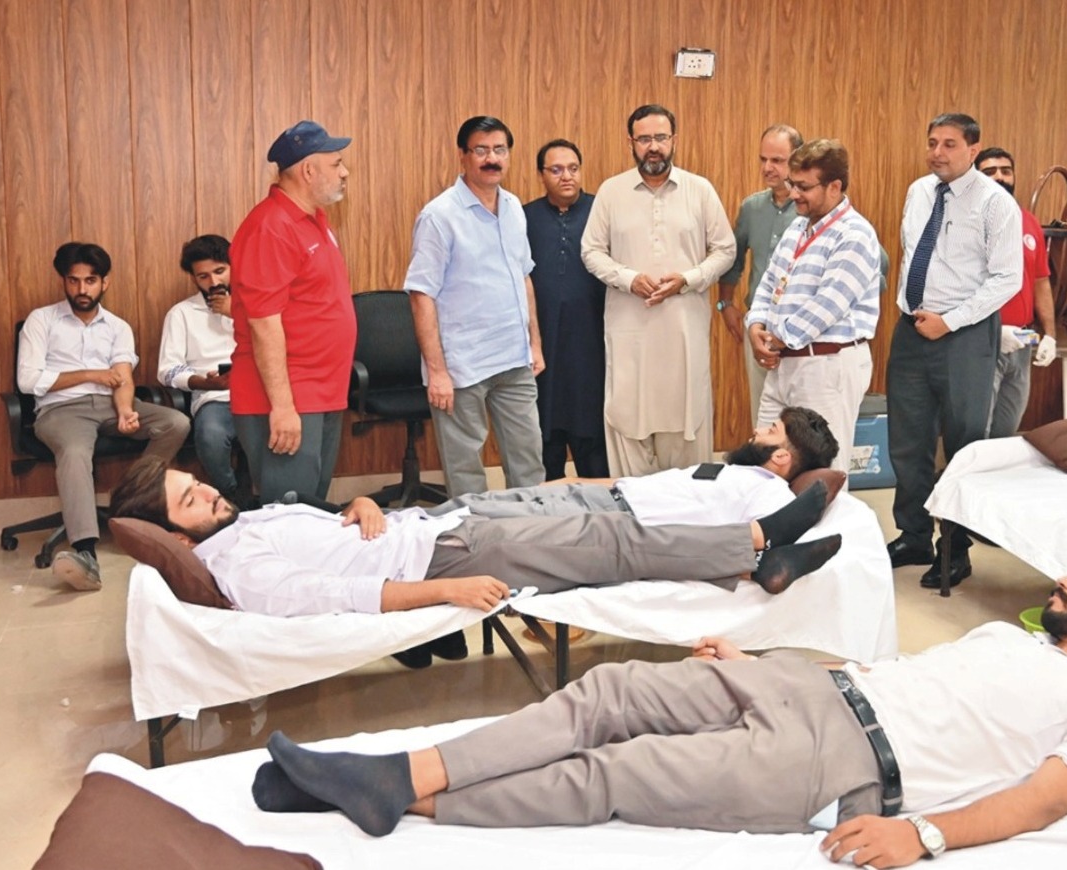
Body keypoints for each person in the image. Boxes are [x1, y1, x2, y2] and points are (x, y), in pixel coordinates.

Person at [249, 542, 1067, 865]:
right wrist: (766, 656)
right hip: (809, 684)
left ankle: (403, 798)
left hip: (840, 767)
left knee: (615, 773)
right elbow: (893, 673)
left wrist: (925, 836)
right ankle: (394, 774)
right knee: (610, 689)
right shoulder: (1013, 640)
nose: (1066, 579)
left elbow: (1045, 800)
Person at [109, 451, 842, 622]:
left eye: (193, 482)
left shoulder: (244, 522)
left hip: (439, 522)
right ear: (177, 532)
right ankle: (757, 544)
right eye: (188, 500)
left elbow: (330, 530)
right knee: (605, 542)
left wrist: (360, 503)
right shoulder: (237, 563)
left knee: (588, 506)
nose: (206, 491)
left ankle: (751, 548)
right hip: (446, 557)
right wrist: (447, 592)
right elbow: (335, 593)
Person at [887, 113, 1022, 589]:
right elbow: (912, 254)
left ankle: (956, 548)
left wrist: (951, 320)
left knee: (963, 443)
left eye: (949, 144)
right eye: (932, 143)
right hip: (911, 330)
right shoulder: (919, 191)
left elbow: (1008, 278)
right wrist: (916, 312)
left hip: (964, 335)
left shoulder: (995, 203)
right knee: (907, 439)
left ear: (973, 150)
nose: (937, 153)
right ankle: (914, 536)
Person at [18, 242, 191, 591]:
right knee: (74, 452)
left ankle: (132, 503)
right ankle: (85, 552)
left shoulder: (117, 326)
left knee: (176, 423)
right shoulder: (42, 320)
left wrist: (125, 410)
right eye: (74, 280)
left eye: (90, 281)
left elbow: (122, 376)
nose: (82, 289)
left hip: (111, 405)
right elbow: (28, 380)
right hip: (61, 409)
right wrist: (90, 374)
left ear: (104, 283)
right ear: (64, 281)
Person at [581, 104, 736, 476]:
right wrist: (628, 278)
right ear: (631, 143)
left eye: (661, 138)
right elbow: (591, 251)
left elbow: (726, 249)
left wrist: (689, 279)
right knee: (627, 416)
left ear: (674, 140)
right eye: (645, 139)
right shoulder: (611, 191)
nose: (654, 147)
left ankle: (687, 506)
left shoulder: (699, 190)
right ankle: (633, 507)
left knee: (686, 420)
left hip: (683, 332)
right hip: (630, 333)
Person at [406, 116, 545, 497]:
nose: (491, 159)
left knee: (529, 462)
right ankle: (474, 533)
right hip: (461, 366)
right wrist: (437, 372)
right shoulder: (439, 215)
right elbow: (421, 294)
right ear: (463, 156)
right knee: (465, 471)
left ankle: (530, 529)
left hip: (514, 358)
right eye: (481, 150)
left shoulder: (514, 207)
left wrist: (534, 343)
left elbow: (524, 276)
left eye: (500, 150)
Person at [434, 406, 838, 528]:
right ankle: (405, 529)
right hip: (601, 497)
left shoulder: (768, 493)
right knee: (480, 504)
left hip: (611, 519)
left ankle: (406, 535)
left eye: (771, 431)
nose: (757, 430)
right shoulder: (734, 472)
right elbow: (645, 485)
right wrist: (575, 480)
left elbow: (765, 539)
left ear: (782, 457)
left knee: (474, 517)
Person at [229, 120, 356, 504]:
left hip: (323, 391)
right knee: (288, 516)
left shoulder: (315, 220)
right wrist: (283, 408)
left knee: (312, 510)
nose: (345, 172)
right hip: (288, 398)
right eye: (336, 163)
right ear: (308, 170)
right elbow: (263, 325)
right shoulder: (270, 228)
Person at [746, 139, 882, 476]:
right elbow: (768, 283)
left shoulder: (855, 234)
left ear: (834, 186)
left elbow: (828, 305)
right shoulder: (797, 227)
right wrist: (755, 325)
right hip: (784, 363)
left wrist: (774, 339)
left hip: (826, 366)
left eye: (804, 187)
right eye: (792, 184)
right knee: (763, 460)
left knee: (822, 473)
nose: (794, 194)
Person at [524, 139, 609, 480]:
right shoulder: (524, 217)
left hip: (592, 341)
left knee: (592, 430)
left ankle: (599, 504)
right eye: (556, 170)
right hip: (542, 342)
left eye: (573, 168)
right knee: (544, 431)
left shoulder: (601, 211)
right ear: (541, 175)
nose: (567, 176)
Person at [719, 124, 804, 421]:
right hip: (759, 328)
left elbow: (876, 263)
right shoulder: (752, 208)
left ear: (798, 159)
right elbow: (732, 260)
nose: (767, 168)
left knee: (802, 423)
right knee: (763, 417)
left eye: (777, 160)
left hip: (804, 331)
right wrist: (725, 304)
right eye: (763, 159)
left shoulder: (815, 208)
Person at [974, 147, 1059, 436]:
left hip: (1022, 342)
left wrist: (1050, 335)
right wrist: (991, 331)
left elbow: (1040, 281)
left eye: (1006, 171)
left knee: (1007, 430)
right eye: (989, 172)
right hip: (982, 341)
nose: (999, 177)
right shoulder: (968, 222)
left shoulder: (1029, 221)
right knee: (976, 433)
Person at [158, 234, 247, 505]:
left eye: (220, 271)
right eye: (203, 276)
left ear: (233, 267)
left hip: (259, 394)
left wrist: (236, 312)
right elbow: (167, 370)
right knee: (211, 436)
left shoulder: (255, 307)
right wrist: (204, 382)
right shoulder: (181, 314)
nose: (214, 282)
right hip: (213, 397)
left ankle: (267, 499)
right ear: (194, 278)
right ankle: (231, 496)